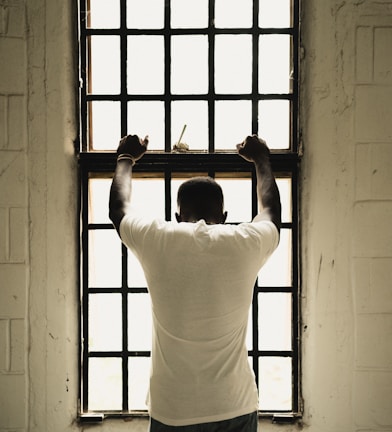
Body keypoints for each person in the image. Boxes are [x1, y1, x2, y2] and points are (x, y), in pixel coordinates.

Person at [109, 134, 281, 431]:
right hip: (233, 403)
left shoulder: (160, 238)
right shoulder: (244, 241)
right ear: (224, 215)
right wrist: (261, 158)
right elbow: (271, 213)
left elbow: (118, 209)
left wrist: (126, 158)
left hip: (173, 407)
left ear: (177, 215)